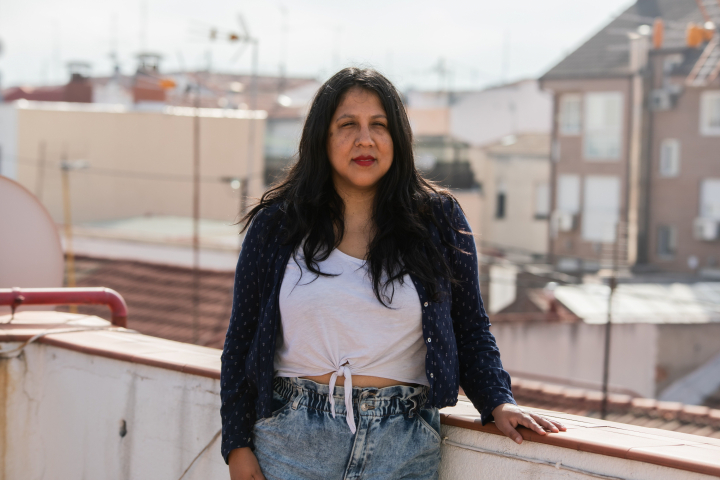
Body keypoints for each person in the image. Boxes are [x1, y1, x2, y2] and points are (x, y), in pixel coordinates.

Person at [221, 67, 565, 480]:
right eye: (347, 125)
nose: (365, 139)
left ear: (398, 138)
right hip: (293, 441)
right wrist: (236, 445)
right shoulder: (276, 224)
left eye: (379, 125)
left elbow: (470, 326)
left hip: (404, 445)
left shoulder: (438, 219)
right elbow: (240, 339)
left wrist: (498, 400)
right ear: (321, 137)